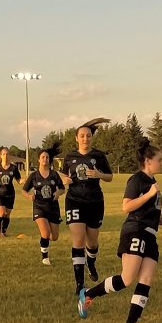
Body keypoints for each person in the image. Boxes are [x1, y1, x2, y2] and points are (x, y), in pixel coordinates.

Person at [77, 137, 162, 323]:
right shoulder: (137, 180)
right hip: (135, 231)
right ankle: (87, 294)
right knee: (127, 279)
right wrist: (150, 195)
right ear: (148, 161)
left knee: (147, 278)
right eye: (159, 159)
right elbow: (126, 206)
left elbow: (144, 207)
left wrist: (157, 217)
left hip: (150, 234)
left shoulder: (152, 181)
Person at [61, 118, 113, 293]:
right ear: (76, 138)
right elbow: (61, 175)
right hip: (74, 200)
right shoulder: (70, 156)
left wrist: (98, 174)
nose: (85, 139)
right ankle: (79, 284)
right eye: (82, 136)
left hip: (95, 202)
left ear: (91, 137)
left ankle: (91, 261)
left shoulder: (98, 156)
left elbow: (109, 177)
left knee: (92, 242)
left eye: (88, 136)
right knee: (78, 240)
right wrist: (64, 179)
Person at [23, 146, 66, 265]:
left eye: (47, 157)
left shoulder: (54, 175)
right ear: (39, 160)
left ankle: (44, 240)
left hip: (53, 207)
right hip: (39, 207)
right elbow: (24, 190)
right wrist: (29, 196)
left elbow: (62, 189)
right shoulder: (34, 176)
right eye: (43, 157)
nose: (45, 159)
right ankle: (45, 257)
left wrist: (58, 193)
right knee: (45, 233)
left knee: (54, 237)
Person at [0, 148, 22, 238]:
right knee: (1, 213)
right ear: (0, 155)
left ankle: (3, 232)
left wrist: (23, 181)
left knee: (7, 215)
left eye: (7, 154)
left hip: (10, 193)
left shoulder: (13, 168)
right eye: (4, 154)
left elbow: (18, 180)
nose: (6, 156)